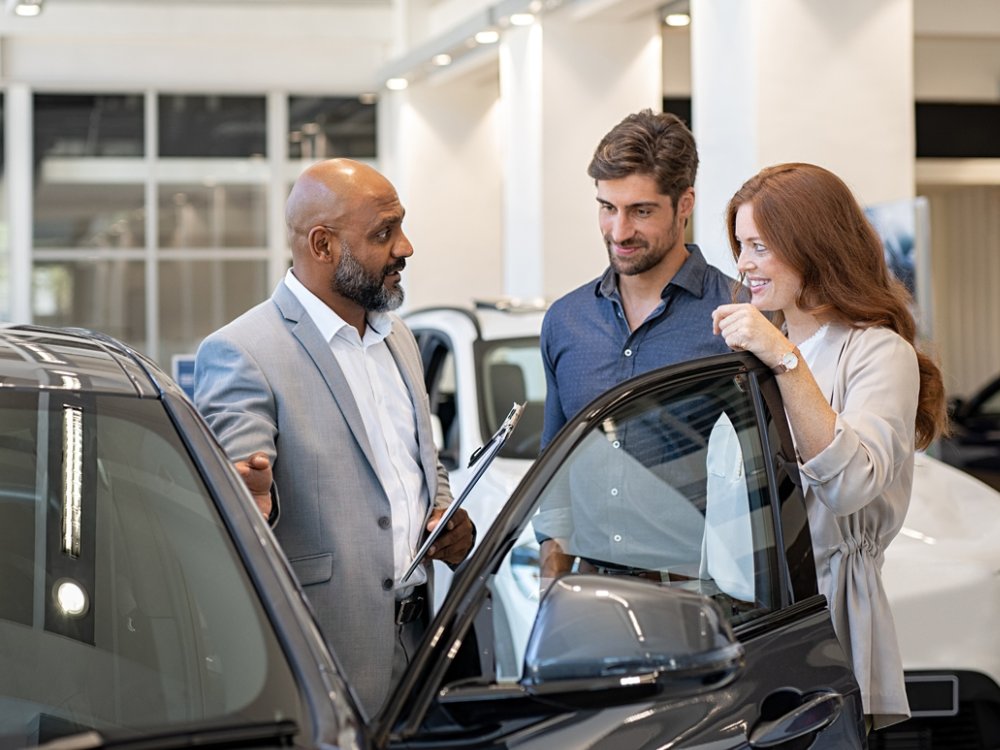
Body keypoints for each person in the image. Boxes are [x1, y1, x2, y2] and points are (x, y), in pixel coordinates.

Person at [193, 158, 475, 716]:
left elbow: (420, 462)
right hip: (323, 657)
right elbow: (241, 507)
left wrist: (447, 514)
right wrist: (250, 501)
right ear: (323, 245)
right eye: (383, 233)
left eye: (400, 226)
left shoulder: (399, 340)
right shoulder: (243, 352)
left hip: (420, 643)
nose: (406, 247)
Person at [711, 162, 948, 731]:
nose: (743, 265)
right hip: (744, 617)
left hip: (821, 621)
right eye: (740, 246)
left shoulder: (876, 353)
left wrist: (784, 360)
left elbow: (848, 484)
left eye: (760, 247)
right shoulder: (765, 347)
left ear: (811, 246)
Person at [535, 109, 742, 582]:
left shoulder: (740, 316)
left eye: (641, 211)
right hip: (589, 590)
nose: (619, 231)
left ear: (684, 203)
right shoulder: (566, 322)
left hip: (701, 596)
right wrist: (554, 576)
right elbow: (556, 464)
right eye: (607, 207)